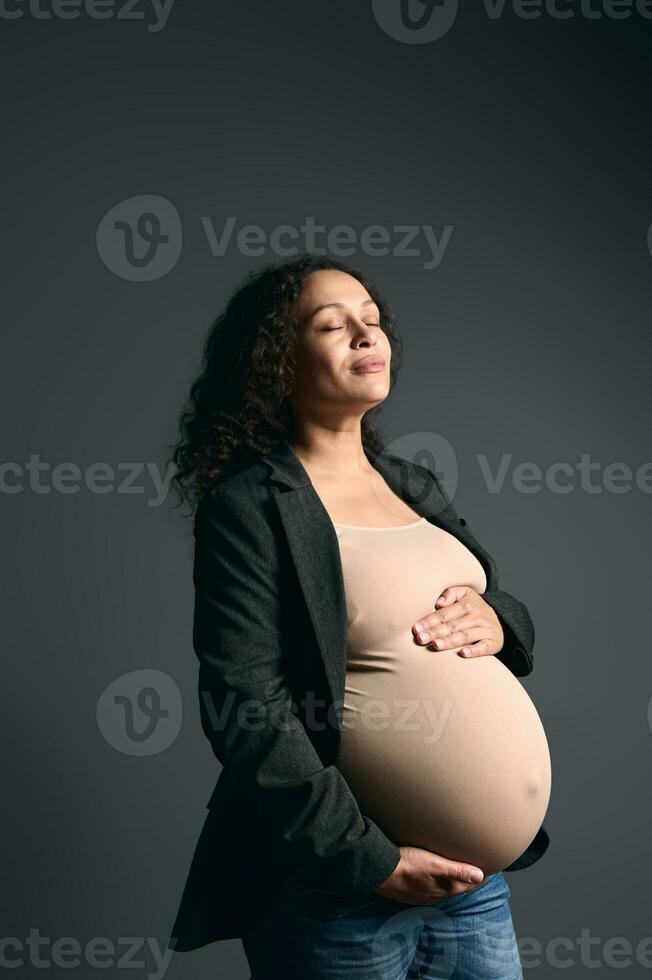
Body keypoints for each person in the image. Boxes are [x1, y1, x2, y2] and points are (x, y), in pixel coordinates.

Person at [166, 254, 550, 978]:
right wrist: (368, 861)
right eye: (332, 325)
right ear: (277, 362)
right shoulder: (249, 505)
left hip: (475, 890)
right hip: (342, 894)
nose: (365, 336)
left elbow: (492, 600)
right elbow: (243, 704)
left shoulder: (412, 483)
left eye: (371, 321)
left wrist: (499, 620)